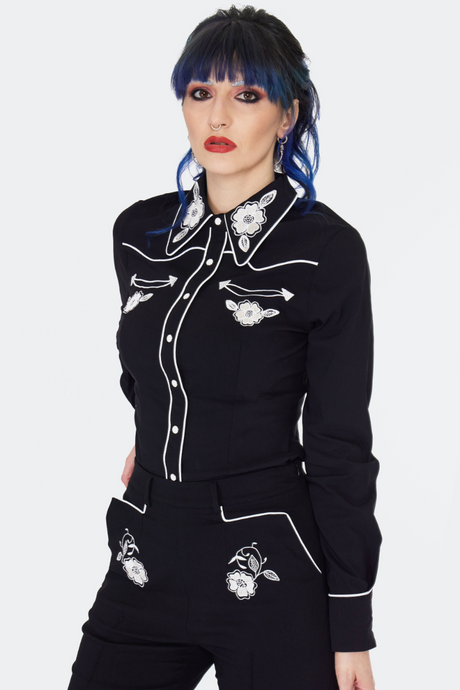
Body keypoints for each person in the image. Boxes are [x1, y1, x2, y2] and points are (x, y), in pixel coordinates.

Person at [68, 6, 382, 690]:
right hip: (144, 555)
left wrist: (351, 626)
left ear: (288, 115)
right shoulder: (138, 234)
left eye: (247, 96)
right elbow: (144, 364)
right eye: (200, 92)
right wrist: (155, 429)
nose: (218, 116)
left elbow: (339, 443)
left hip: (269, 564)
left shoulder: (324, 252)